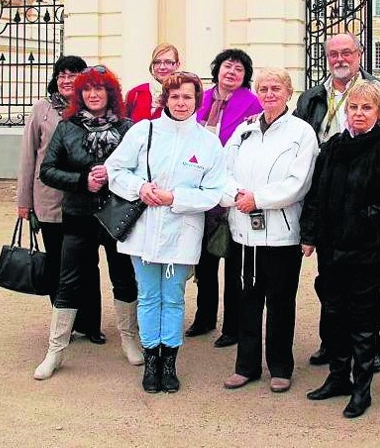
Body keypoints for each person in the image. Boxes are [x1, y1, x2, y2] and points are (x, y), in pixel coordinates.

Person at [300, 80, 380, 418]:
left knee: (363, 320)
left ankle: (361, 388)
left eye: (367, 108)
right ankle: (338, 377)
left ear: (379, 112)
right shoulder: (333, 146)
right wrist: (310, 233)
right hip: (332, 247)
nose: (359, 114)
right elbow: (316, 195)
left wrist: (367, 215)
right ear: (346, 111)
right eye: (354, 107)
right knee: (333, 313)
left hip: (368, 248)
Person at [106, 72, 226, 393]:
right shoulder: (142, 132)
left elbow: (213, 191)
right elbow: (115, 170)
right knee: (147, 297)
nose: (181, 103)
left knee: (173, 298)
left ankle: (169, 361)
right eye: (175, 97)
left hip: (181, 233)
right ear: (165, 100)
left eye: (187, 97)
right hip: (144, 231)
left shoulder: (207, 142)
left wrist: (177, 199)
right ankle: (151, 361)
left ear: (197, 101)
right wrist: (139, 187)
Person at [294, 32, 380, 369]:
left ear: (360, 53)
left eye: (346, 52)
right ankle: (333, 344)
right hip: (327, 199)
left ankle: (369, 350)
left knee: (365, 290)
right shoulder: (311, 97)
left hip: (365, 205)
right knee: (329, 283)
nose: (340, 59)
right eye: (333, 54)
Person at [35, 65, 143, 380]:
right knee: (68, 281)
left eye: (100, 89)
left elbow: (140, 170)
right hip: (79, 214)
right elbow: (48, 170)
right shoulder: (67, 127)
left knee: (123, 278)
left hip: (117, 214)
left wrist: (111, 177)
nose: (93, 95)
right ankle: (55, 350)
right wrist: (83, 179)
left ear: (111, 94)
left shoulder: (128, 128)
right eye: (87, 89)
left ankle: (129, 338)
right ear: (80, 95)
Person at [221, 68, 318, 394]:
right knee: (246, 299)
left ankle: (280, 366)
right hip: (244, 232)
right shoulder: (245, 129)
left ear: (289, 93)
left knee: (280, 302)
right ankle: (245, 366)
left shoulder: (301, 132)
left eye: (276, 88)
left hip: (280, 232)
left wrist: (258, 199)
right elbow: (225, 167)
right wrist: (237, 195)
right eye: (263, 88)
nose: (269, 93)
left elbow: (298, 182)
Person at [17, 55, 105, 342]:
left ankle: (90, 324)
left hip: (84, 202)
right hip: (50, 201)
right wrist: (23, 202)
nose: (66, 80)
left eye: (73, 74)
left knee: (88, 264)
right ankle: (63, 324)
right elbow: (28, 157)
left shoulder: (91, 109)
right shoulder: (42, 109)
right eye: (62, 74)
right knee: (58, 264)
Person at [186, 49, 262, 348]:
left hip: (231, 190)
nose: (232, 72)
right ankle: (204, 317)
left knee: (233, 264)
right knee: (203, 260)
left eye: (239, 69)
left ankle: (232, 325)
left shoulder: (251, 102)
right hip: (199, 188)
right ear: (217, 69)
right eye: (228, 66)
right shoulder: (200, 97)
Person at [125, 43, 180, 123]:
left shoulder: (184, 95)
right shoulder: (136, 93)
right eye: (157, 62)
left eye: (168, 62)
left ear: (177, 65)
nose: (162, 67)